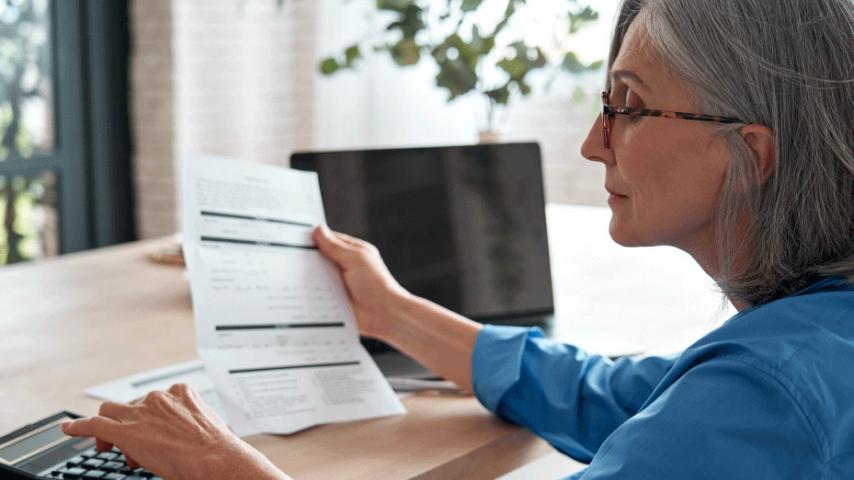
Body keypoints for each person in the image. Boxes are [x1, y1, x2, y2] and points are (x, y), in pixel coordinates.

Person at [61, 0, 854, 478]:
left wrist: (220, 467)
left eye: (629, 106)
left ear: (750, 153)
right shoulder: (808, 343)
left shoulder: (768, 394)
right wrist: (392, 310)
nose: (593, 143)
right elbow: (612, 396)